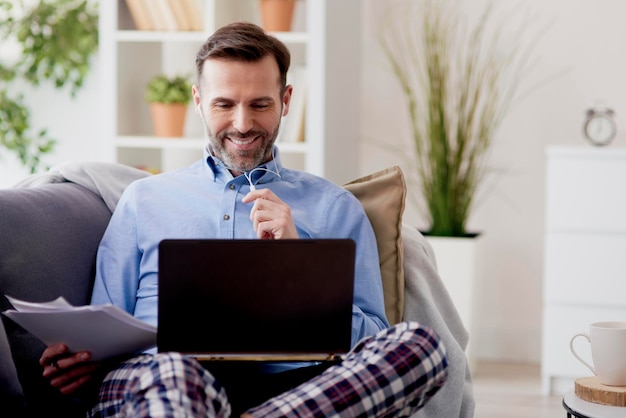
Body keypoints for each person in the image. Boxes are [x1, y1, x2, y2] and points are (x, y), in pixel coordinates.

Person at [39, 21, 448, 417]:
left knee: (419, 346)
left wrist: (299, 266)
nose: (242, 124)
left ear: (285, 101)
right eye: (224, 104)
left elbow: (374, 340)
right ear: (198, 101)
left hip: (300, 388)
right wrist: (79, 361)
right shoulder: (143, 200)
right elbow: (102, 325)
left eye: (260, 104)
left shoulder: (335, 207)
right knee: (176, 372)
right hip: (163, 377)